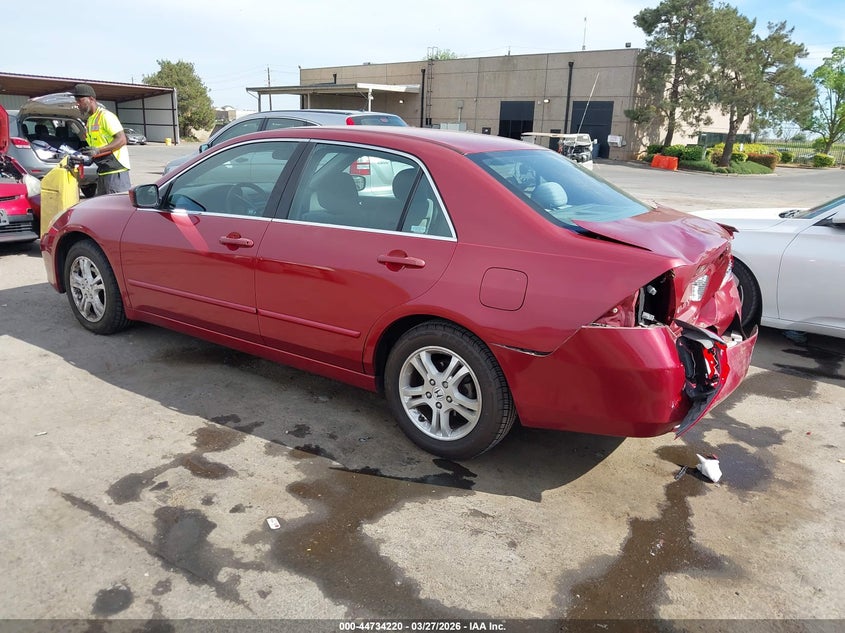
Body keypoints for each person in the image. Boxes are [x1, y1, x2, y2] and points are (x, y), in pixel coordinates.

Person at [71, 83, 131, 195]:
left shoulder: (105, 116)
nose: (77, 104)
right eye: (76, 100)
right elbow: (95, 147)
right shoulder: (90, 121)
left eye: (80, 100)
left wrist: (98, 150)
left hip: (116, 172)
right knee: (104, 209)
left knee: (117, 210)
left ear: (91, 99)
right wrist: (85, 159)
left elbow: (122, 140)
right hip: (103, 172)